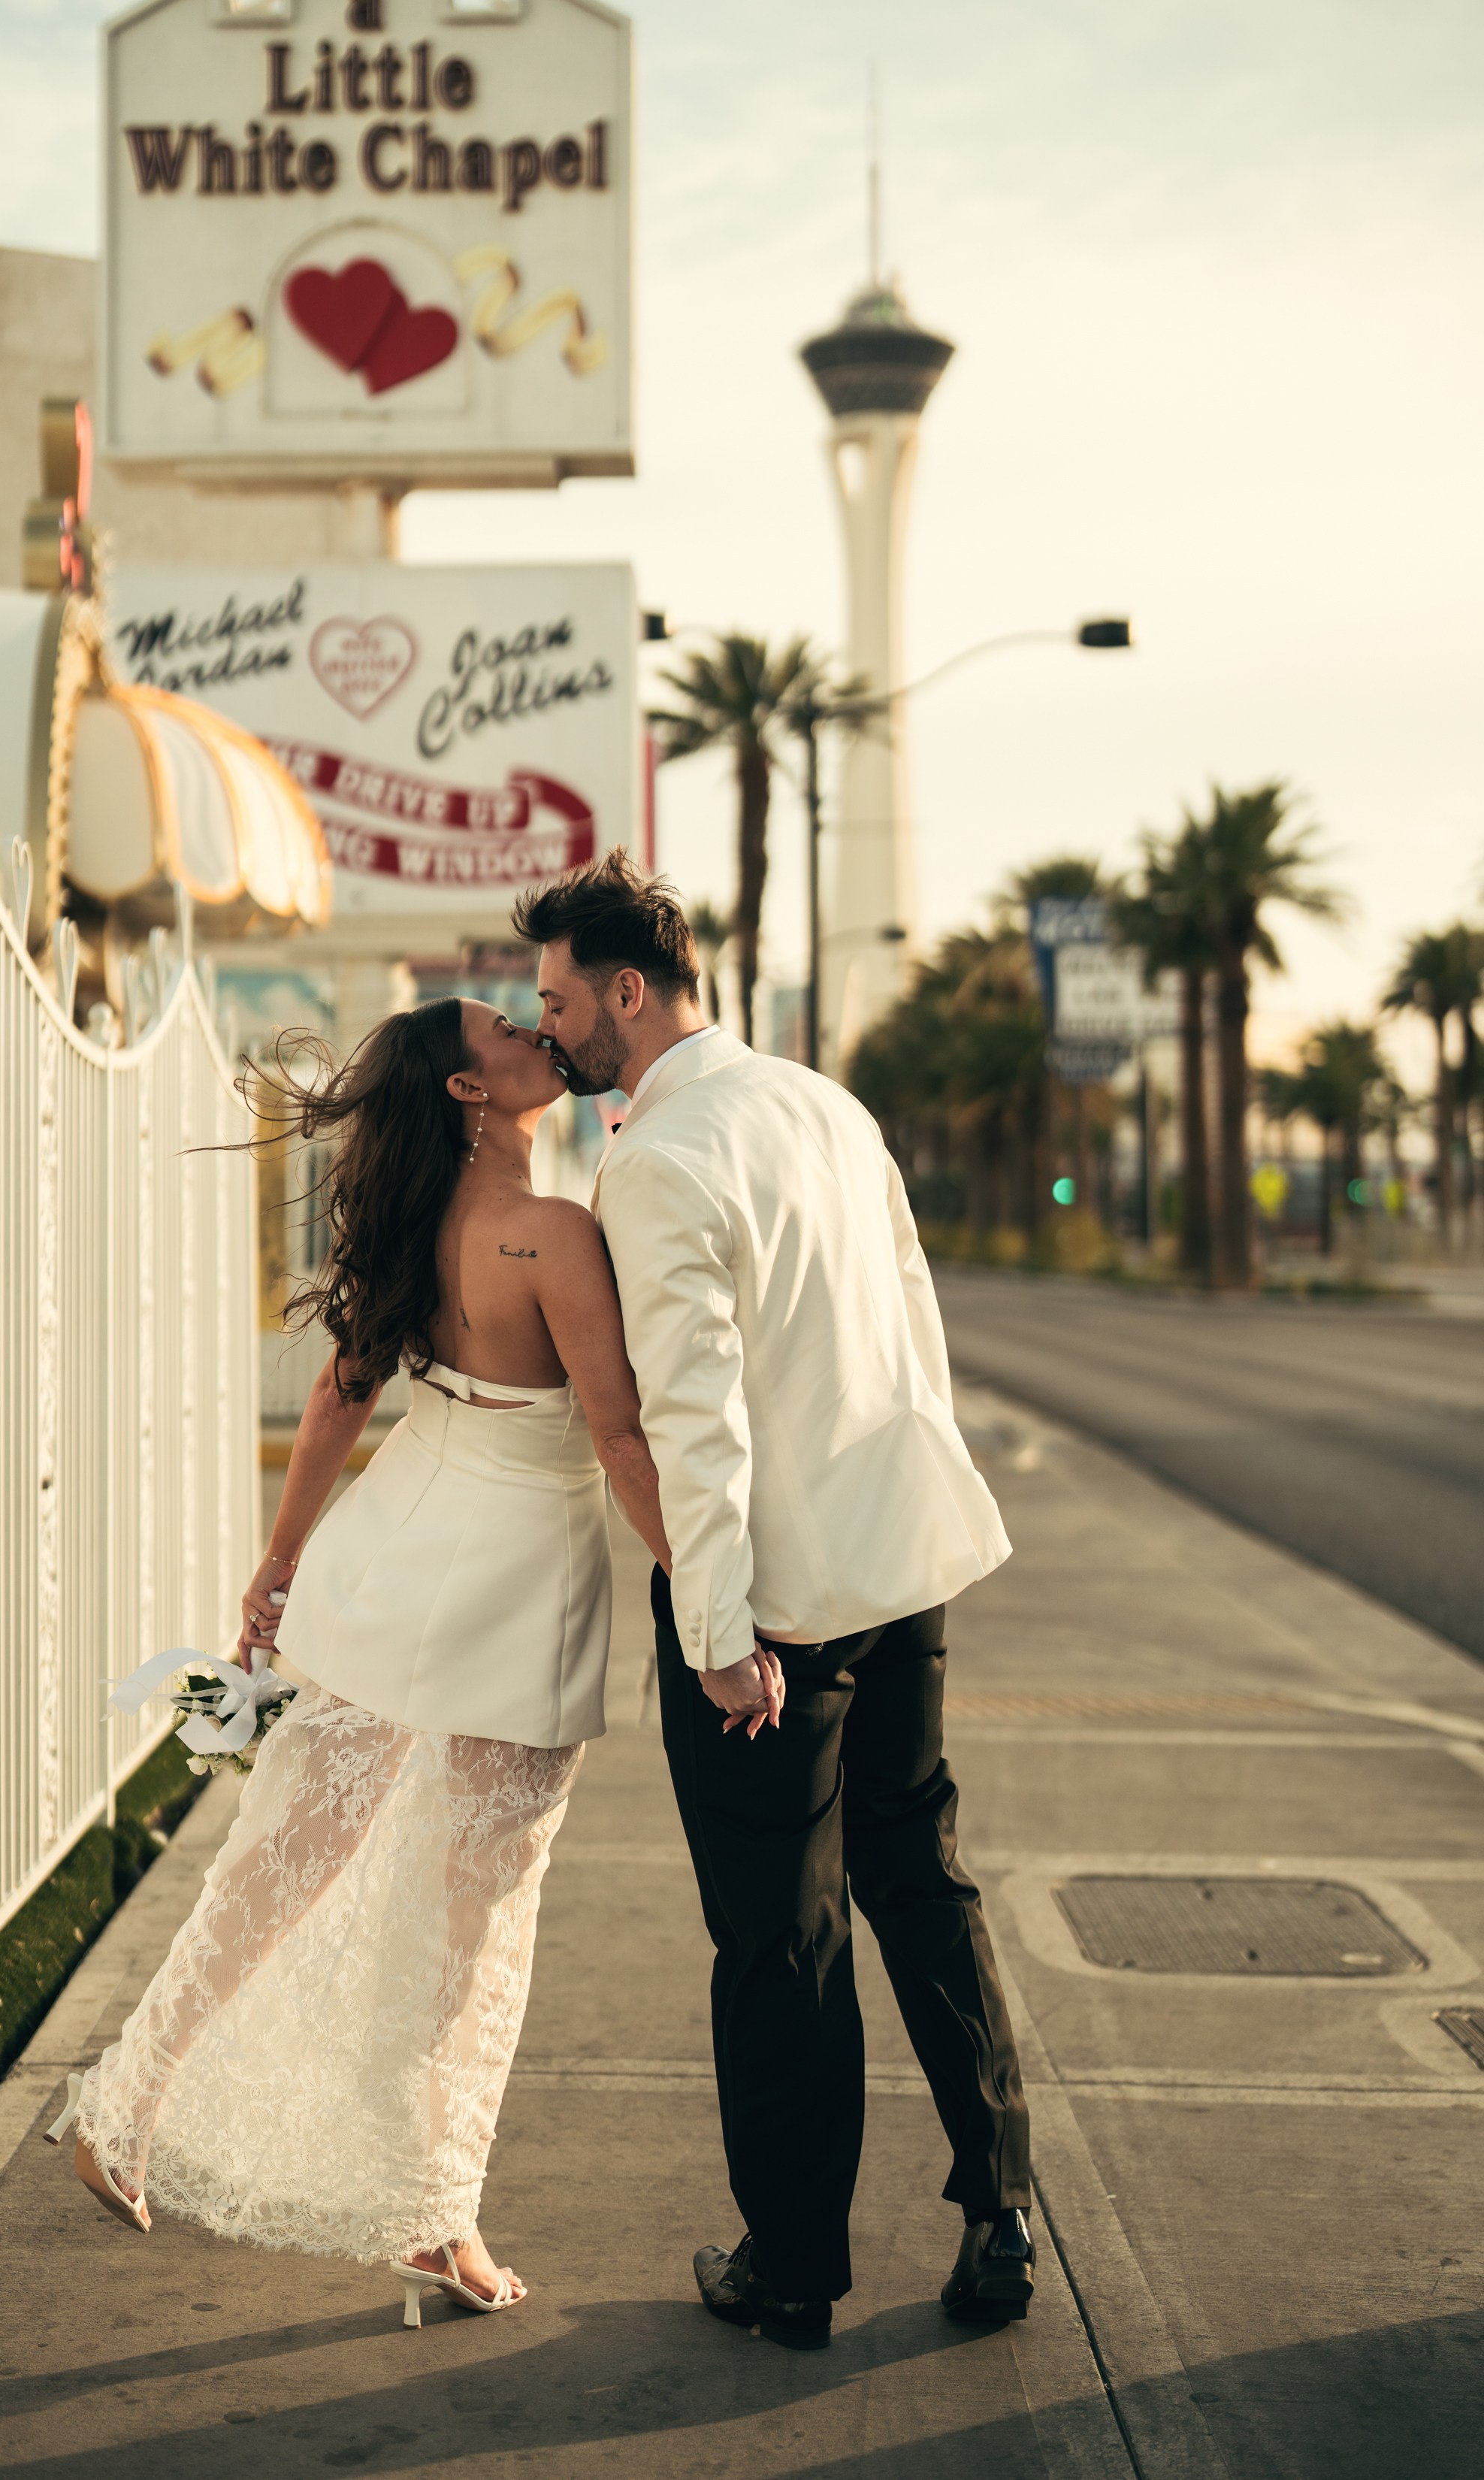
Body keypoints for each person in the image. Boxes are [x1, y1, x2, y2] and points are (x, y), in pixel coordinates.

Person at [47, 997, 676, 2327]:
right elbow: (621, 1446)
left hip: (387, 1562)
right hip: (516, 1588)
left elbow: (344, 1390)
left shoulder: (412, 1228)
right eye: (511, 1028)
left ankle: (125, 2100)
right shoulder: (553, 1234)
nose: (536, 1034)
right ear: (467, 1089)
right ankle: (433, 2215)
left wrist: (278, 1562)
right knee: (477, 1913)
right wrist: (718, 1604)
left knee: (283, 1857)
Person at [514, 850, 1032, 2352]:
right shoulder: (823, 1105)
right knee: (919, 1880)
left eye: (557, 1000)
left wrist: (718, 1627)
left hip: (779, 1614)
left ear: (625, 992)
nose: (546, 1028)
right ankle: (996, 2211)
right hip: (902, 1564)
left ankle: (792, 2263)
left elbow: (696, 1421)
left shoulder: (660, 1162)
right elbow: (911, 1324)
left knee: (778, 1937)